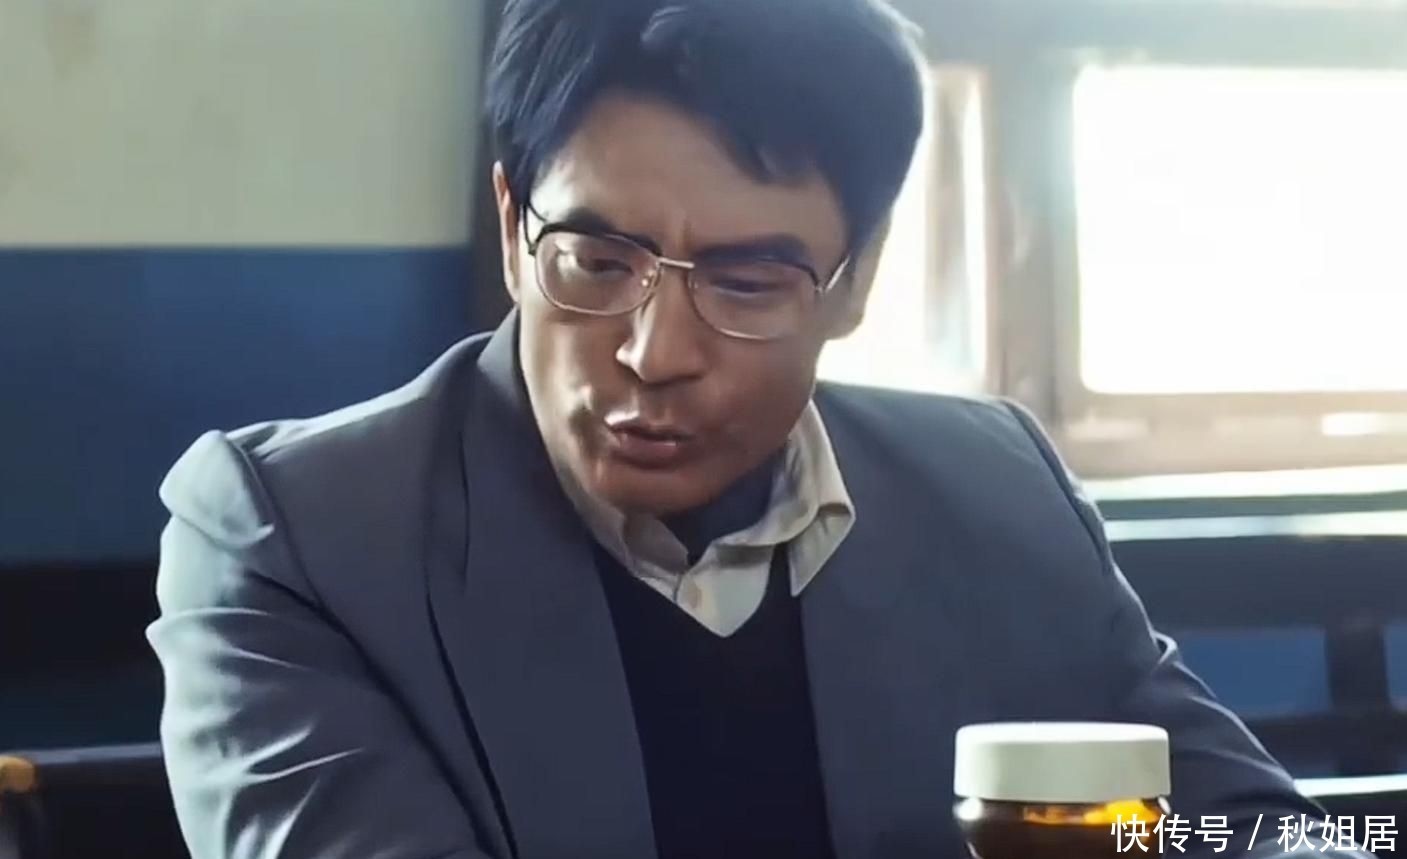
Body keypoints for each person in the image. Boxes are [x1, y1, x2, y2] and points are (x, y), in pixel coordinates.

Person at [148, 1, 1372, 857]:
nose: (654, 351)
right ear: (515, 225)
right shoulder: (297, 539)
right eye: (597, 260)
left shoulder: (995, 492)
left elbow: (1259, 831)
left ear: (854, 282)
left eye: (745, 282)